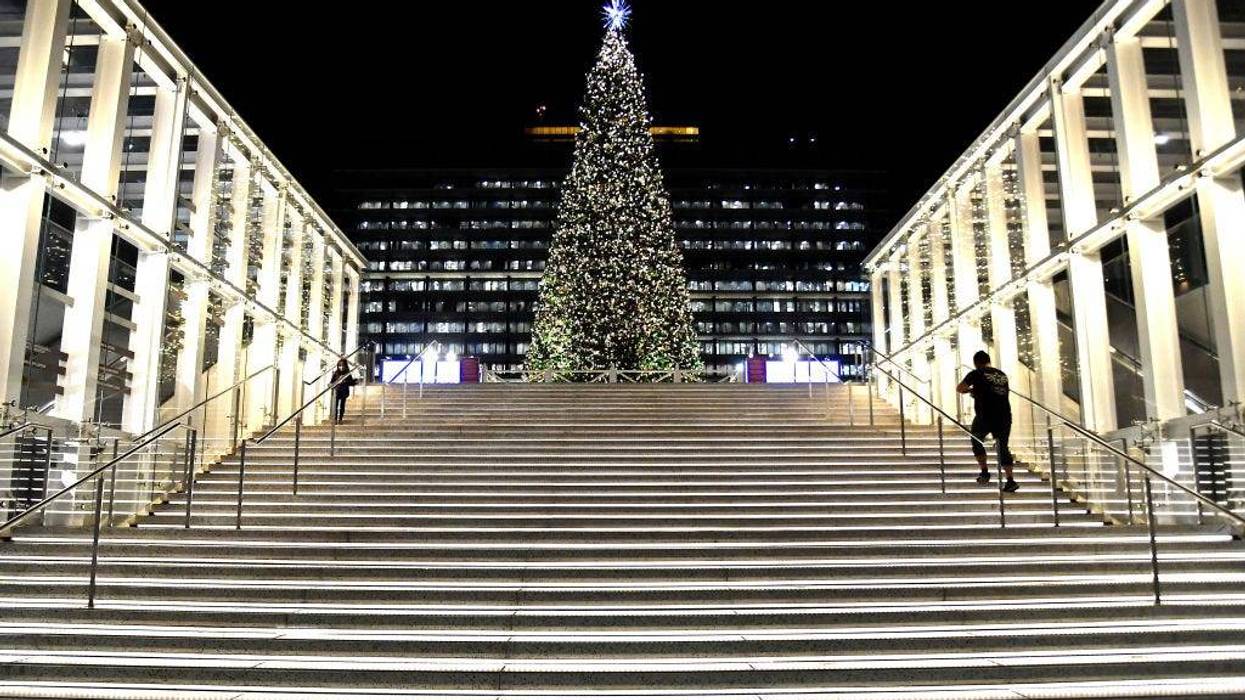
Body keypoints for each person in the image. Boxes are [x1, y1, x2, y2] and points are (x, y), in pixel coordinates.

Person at [957, 350, 1018, 493]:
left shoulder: (976, 373)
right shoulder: (1001, 375)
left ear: (976, 363)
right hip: (1004, 416)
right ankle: (1010, 480)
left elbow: (960, 388)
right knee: (1003, 447)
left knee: (976, 440)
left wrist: (971, 390)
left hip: (985, 416)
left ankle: (984, 472)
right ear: (988, 360)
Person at [329, 359, 358, 424]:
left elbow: (351, 382)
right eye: (339, 365)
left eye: (342, 365)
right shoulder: (336, 373)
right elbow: (331, 382)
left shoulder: (347, 374)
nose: (341, 367)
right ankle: (335, 419)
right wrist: (331, 384)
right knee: (335, 406)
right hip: (337, 391)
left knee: (342, 405)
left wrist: (346, 381)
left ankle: (340, 419)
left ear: (345, 366)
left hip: (344, 391)